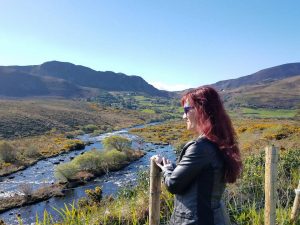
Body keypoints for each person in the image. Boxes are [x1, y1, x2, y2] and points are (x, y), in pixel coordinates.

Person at [152, 86, 242, 225]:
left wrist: (167, 170)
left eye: (186, 110)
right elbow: (201, 176)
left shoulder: (200, 148)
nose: (183, 116)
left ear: (201, 110)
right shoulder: (218, 142)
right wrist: (173, 167)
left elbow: (173, 185)